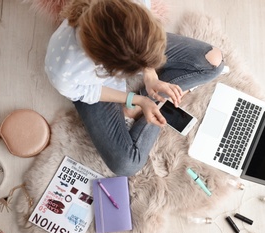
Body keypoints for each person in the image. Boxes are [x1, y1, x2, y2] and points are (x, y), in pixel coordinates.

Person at [44, 0, 224, 176]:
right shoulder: (64, 71)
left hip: (134, 42)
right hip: (99, 89)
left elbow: (141, 44)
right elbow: (90, 92)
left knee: (214, 61)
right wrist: (136, 99)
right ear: (109, 68)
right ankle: (152, 102)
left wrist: (150, 75)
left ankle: (151, 100)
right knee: (127, 164)